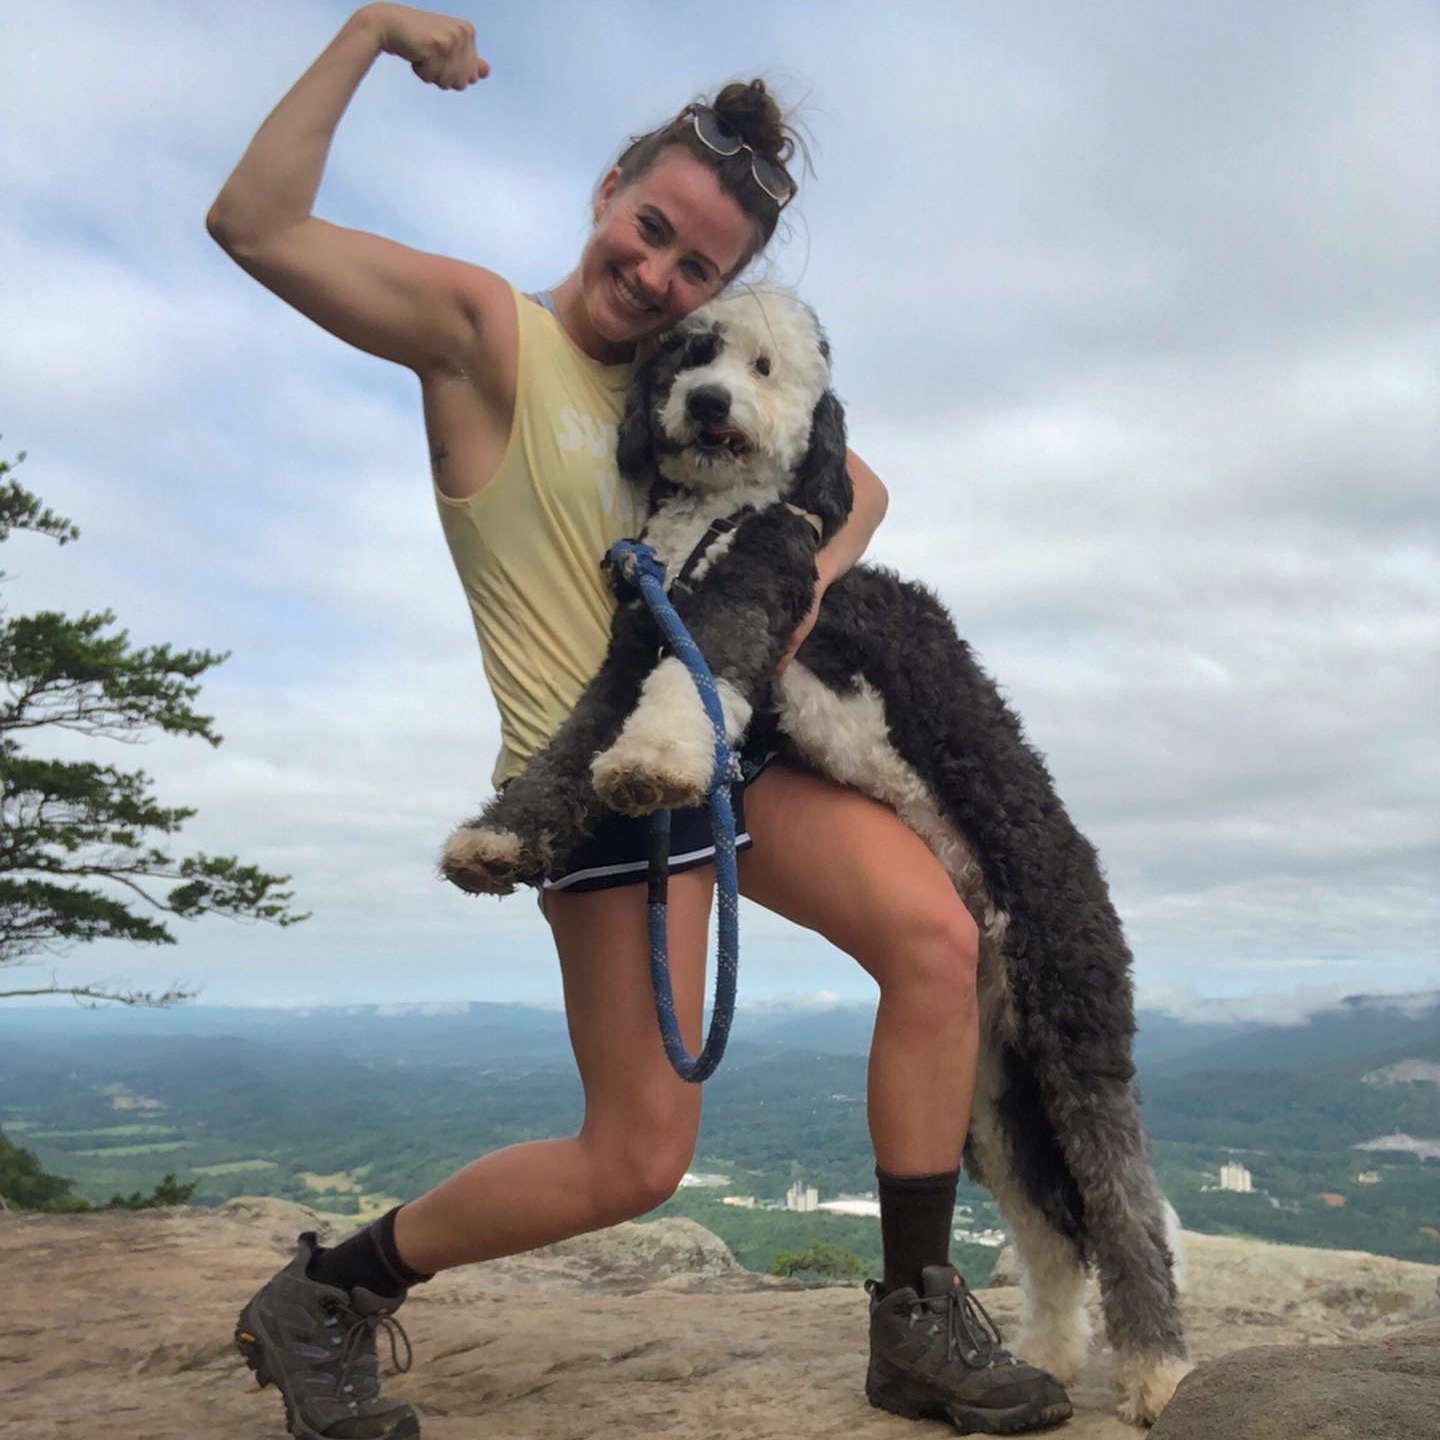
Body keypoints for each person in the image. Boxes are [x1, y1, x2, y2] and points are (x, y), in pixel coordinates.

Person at [210, 6, 1071, 1437]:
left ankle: (915, 1322)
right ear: (606, 190)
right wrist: (369, 32)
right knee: (635, 1160)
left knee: (940, 942)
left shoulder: (698, 379)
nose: (659, 274)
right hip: (595, 790)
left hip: (728, 756)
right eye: (651, 229)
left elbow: (858, 485)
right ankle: (329, 1292)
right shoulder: (489, 337)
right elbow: (253, 225)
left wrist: (790, 590)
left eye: (698, 267)